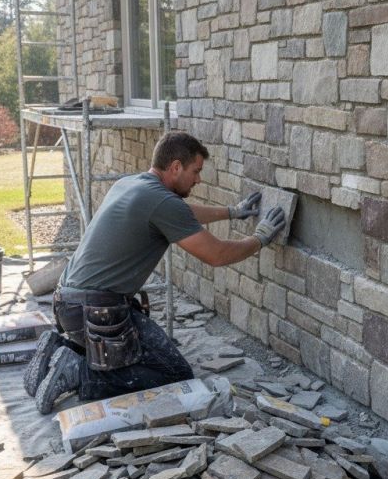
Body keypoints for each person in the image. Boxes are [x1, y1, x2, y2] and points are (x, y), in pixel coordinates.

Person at [23, 130, 286, 413]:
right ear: (175, 167)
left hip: (68, 305)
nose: (198, 179)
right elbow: (217, 255)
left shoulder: (133, 184)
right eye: (195, 171)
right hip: (95, 313)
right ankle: (78, 372)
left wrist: (232, 212)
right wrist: (260, 239)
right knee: (173, 372)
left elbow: (181, 212)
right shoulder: (162, 203)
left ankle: (61, 349)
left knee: (141, 358)